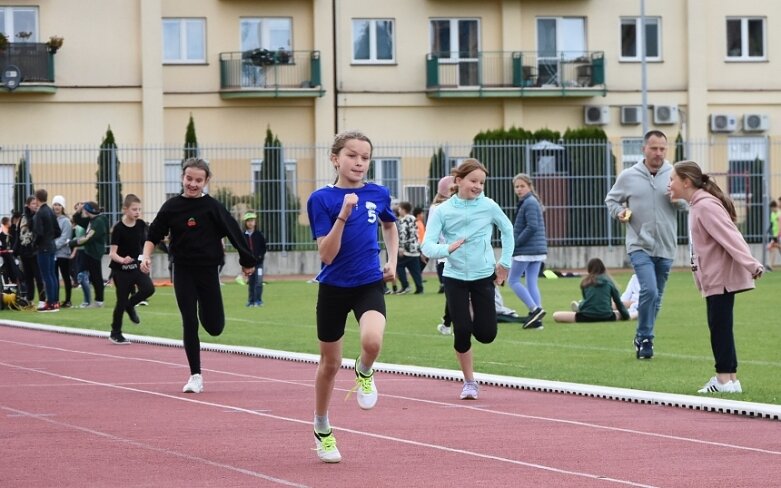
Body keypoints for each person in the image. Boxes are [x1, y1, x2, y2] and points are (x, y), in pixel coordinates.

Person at [305, 130, 398, 464]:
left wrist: (393, 260)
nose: (359, 162)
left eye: (365, 157)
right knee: (329, 364)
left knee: (372, 342)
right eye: (352, 155)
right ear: (335, 159)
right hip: (333, 288)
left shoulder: (379, 193)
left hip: (368, 283)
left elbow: (389, 225)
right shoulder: (321, 199)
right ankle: (322, 427)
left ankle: (364, 370)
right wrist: (344, 213)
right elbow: (326, 255)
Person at [140, 157, 256, 392]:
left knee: (214, 327)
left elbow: (234, 233)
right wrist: (146, 256)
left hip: (208, 270)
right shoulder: (171, 206)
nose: (193, 184)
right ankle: (195, 376)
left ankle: (206, 308)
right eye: (189, 178)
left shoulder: (212, 207)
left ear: (206, 181)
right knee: (189, 321)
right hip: (182, 269)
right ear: (182, 177)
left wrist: (247, 262)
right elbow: (153, 234)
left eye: (198, 180)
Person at [421, 158, 514, 401]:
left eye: (482, 182)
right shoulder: (442, 211)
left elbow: (507, 230)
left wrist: (504, 262)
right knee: (462, 330)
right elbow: (427, 245)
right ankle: (469, 382)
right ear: (459, 181)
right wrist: (447, 249)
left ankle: (471, 315)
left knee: (486, 334)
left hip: (483, 276)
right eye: (473, 181)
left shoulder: (489, 206)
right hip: (454, 277)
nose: (478, 186)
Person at [668, 161, 763, 394]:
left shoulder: (705, 206)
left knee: (719, 328)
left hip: (719, 278)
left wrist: (752, 264)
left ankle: (723, 380)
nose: (669, 184)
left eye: (672, 179)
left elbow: (730, 236)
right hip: (714, 278)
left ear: (686, 182)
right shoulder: (697, 205)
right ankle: (730, 379)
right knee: (721, 327)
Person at [605, 129, 685, 359]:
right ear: (644, 149)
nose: (658, 153)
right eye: (654, 148)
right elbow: (611, 200)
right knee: (648, 289)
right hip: (639, 244)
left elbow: (688, 204)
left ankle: (642, 337)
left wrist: (678, 200)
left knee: (656, 296)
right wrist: (620, 211)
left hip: (667, 246)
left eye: (662, 148)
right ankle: (646, 337)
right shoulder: (629, 176)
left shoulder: (674, 174)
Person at [107, 194, 156, 345]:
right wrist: (123, 260)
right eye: (134, 209)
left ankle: (130, 305)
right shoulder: (118, 229)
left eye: (139, 209)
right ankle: (115, 333)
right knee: (120, 301)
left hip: (137, 267)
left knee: (149, 289)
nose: (137, 212)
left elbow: (144, 247)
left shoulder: (141, 225)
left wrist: (146, 261)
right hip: (121, 271)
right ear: (125, 209)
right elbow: (112, 253)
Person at [508, 173, 547, 330]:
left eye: (522, 186)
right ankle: (537, 320)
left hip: (526, 250)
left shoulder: (529, 203)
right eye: (516, 187)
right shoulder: (530, 202)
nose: (519, 189)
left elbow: (532, 226)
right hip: (536, 249)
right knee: (531, 282)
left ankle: (535, 309)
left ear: (530, 186)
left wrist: (516, 243)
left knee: (513, 280)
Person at [553, 258, 630, 323]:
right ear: (603, 268)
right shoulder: (609, 282)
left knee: (556, 315)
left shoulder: (585, 282)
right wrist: (626, 316)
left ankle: (579, 306)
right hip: (607, 316)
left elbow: (587, 300)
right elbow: (618, 302)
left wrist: (581, 308)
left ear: (589, 269)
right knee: (618, 313)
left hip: (586, 317)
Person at [69, 201, 110, 308]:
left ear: (88, 210)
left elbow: (88, 238)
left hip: (95, 252)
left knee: (96, 277)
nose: (82, 211)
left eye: (83, 209)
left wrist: (72, 243)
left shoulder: (99, 221)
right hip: (88, 252)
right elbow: (77, 219)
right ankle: (87, 301)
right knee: (81, 275)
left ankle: (99, 301)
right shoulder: (91, 220)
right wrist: (78, 211)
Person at [32, 189, 61, 312]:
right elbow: (58, 231)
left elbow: (38, 233)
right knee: (52, 274)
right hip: (51, 246)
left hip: (43, 247)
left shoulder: (40, 213)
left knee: (46, 275)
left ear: (37, 199)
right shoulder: (50, 211)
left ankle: (50, 303)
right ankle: (54, 302)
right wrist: (50, 239)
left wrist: (35, 244)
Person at [15, 196, 45, 306]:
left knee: (38, 277)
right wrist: (15, 251)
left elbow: (36, 228)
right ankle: (30, 299)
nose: (35, 205)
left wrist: (36, 214)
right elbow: (18, 234)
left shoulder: (38, 216)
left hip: (35, 251)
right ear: (27, 205)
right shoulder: (22, 218)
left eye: (36, 203)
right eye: (33, 203)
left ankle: (42, 300)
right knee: (28, 277)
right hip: (24, 251)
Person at [396, 201, 424, 294]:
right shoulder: (414, 219)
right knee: (415, 270)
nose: (398, 211)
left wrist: (401, 247)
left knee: (399, 266)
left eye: (399, 209)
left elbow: (403, 234)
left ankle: (405, 286)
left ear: (404, 210)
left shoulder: (404, 220)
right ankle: (419, 288)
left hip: (407, 250)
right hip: (415, 248)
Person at [52, 195, 74, 308]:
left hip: (63, 253)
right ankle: (55, 299)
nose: (57, 207)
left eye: (59, 205)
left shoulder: (66, 221)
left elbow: (65, 237)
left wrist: (53, 246)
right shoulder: (50, 219)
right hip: (53, 254)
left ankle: (68, 300)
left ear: (63, 207)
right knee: (54, 277)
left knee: (65, 277)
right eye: (55, 204)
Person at [242, 211, 267, 307]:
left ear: (255, 222)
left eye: (252, 220)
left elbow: (263, 248)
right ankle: (251, 301)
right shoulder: (243, 235)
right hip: (248, 264)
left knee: (259, 281)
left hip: (259, 263)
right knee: (251, 282)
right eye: (248, 221)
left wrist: (260, 257)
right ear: (245, 222)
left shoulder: (259, 234)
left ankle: (258, 300)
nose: (250, 223)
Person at [767, 200, 780, 271]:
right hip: (775, 234)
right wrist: (769, 230)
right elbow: (772, 223)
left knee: (772, 247)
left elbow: (779, 225)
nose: (771, 209)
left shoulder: (779, 214)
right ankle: (770, 265)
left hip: (779, 234)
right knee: (773, 248)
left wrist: (778, 234)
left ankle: (770, 265)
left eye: (772, 208)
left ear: (775, 207)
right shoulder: (772, 214)